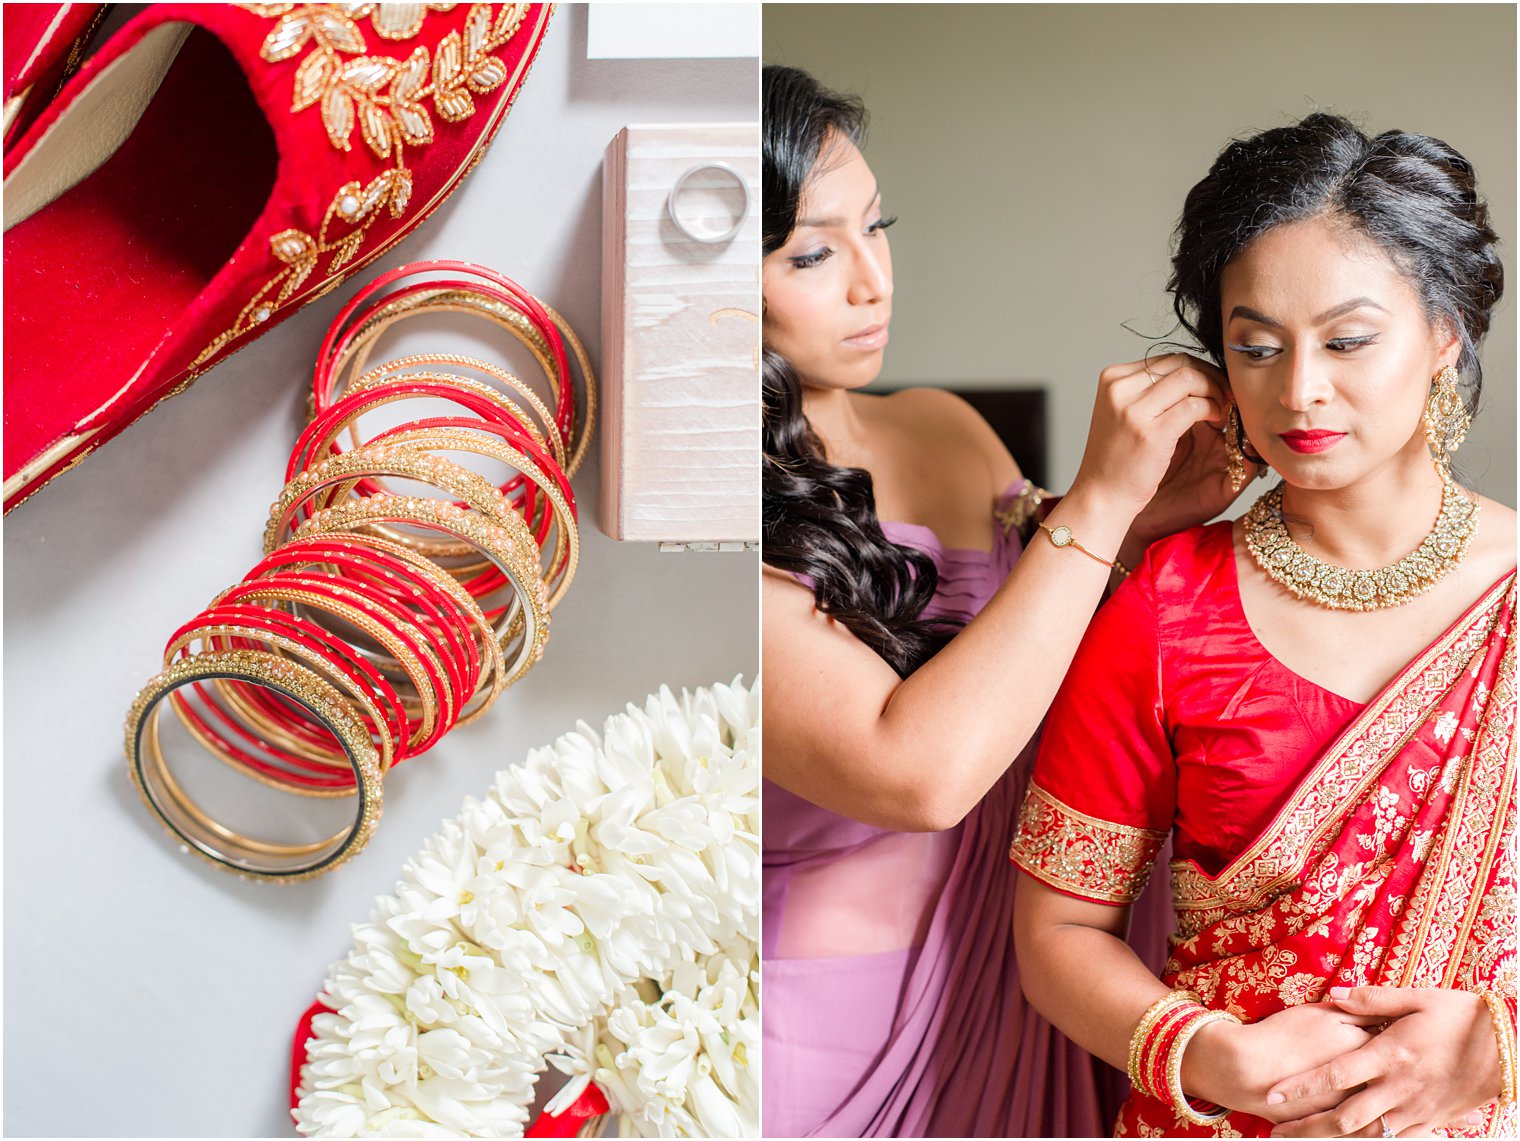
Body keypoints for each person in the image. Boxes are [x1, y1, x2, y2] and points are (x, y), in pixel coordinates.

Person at [761, 64, 1250, 1137]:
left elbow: (1039, 671)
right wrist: (1101, 500)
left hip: (1031, 968)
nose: (869, 280)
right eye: (808, 252)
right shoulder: (708, 515)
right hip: (839, 1034)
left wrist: (1141, 523)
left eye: (874, 226)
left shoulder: (939, 427)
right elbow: (920, 771)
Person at [1011, 112, 1516, 1139]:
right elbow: (1055, 933)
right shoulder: (1164, 605)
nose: (1298, 391)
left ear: (1442, 335)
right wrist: (1205, 1052)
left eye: (1347, 339)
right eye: (1254, 345)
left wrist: (1496, 1046)